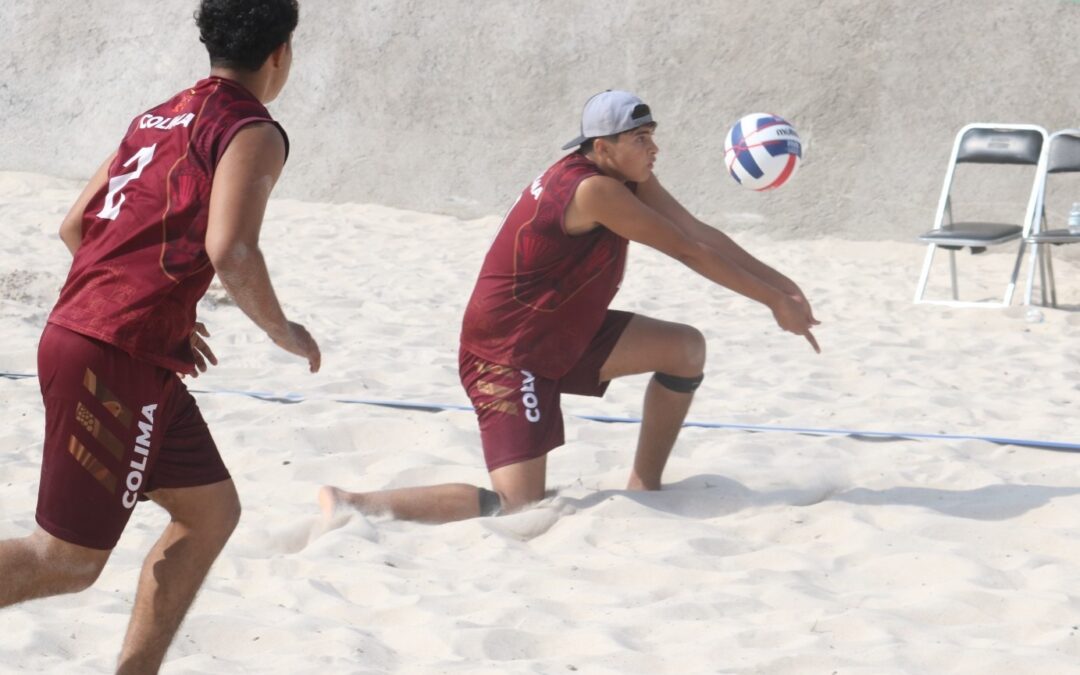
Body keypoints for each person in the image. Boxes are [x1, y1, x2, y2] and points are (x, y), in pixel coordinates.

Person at [320, 89, 819, 524]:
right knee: (518, 506)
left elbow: (696, 231)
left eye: (651, 135)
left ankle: (644, 487)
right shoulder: (593, 189)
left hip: (561, 333)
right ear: (603, 148)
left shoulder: (623, 175)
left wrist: (784, 287)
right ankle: (353, 503)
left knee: (684, 349)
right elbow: (686, 250)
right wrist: (773, 301)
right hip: (507, 355)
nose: (654, 148)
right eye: (640, 139)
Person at [0, 1, 319, 672]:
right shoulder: (251, 128)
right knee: (66, 559)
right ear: (280, 53)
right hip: (111, 352)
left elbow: (74, 226)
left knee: (210, 513)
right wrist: (282, 330)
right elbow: (232, 250)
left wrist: (158, 308)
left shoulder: (156, 116)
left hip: (117, 342)